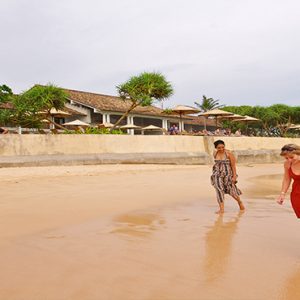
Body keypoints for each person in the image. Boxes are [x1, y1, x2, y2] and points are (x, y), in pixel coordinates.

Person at [211, 140, 245, 214]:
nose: (221, 149)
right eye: (219, 147)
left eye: (223, 147)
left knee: (231, 191)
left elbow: (233, 166)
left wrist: (234, 177)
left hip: (228, 175)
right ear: (216, 148)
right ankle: (221, 209)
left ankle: (239, 202)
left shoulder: (229, 154)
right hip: (217, 174)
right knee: (219, 190)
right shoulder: (215, 153)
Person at [277, 144, 300, 218]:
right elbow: (287, 179)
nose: (289, 160)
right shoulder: (287, 164)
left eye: (291, 157)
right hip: (296, 195)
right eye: (286, 158)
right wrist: (282, 194)